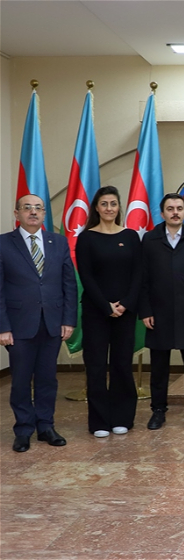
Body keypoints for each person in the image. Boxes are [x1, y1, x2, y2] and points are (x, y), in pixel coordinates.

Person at [0, 195, 77, 452]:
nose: (33, 212)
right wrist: (2, 326)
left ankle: (46, 426)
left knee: (47, 378)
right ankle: (23, 429)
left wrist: (68, 320)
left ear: (44, 214)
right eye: (27, 208)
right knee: (21, 380)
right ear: (17, 213)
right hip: (19, 325)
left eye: (38, 208)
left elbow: (69, 283)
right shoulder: (3, 243)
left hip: (52, 322)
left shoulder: (58, 242)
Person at [139, 193, 184, 430]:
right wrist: (145, 311)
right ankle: (158, 410)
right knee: (159, 367)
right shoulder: (150, 239)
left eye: (179, 208)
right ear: (162, 213)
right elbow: (143, 279)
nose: (175, 213)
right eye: (170, 209)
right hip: (158, 312)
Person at [76, 185, 142, 437]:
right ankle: (99, 422)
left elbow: (138, 274)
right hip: (96, 311)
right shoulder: (86, 238)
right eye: (104, 204)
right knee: (95, 365)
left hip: (126, 311)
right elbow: (86, 276)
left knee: (122, 364)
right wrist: (106, 306)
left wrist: (125, 303)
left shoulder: (131, 236)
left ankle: (122, 417)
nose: (109, 208)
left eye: (113, 203)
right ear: (96, 207)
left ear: (119, 207)